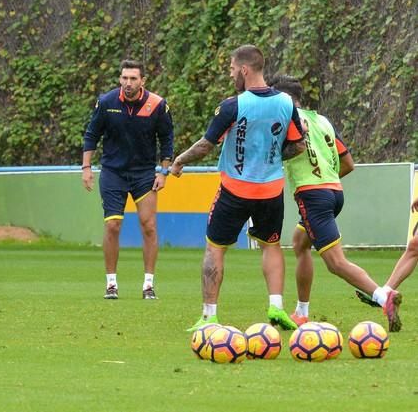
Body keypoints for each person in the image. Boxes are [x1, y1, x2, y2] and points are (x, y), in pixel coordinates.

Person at [170, 45, 306, 331]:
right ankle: (277, 306)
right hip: (270, 189)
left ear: (244, 70)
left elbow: (207, 144)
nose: (231, 73)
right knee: (270, 245)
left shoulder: (233, 105)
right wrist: (271, 156)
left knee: (215, 248)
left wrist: (179, 160)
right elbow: (298, 144)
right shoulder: (285, 103)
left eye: (232, 68)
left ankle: (209, 316)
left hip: (235, 189)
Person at [268, 74, 402, 332]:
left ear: (282, 99)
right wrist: (325, 180)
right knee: (300, 243)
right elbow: (348, 163)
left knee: (335, 263)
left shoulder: (287, 119)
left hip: (313, 196)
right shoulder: (322, 120)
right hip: (334, 192)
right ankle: (301, 313)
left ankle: (383, 297)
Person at [82, 59, 174, 300]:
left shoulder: (157, 105)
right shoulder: (106, 102)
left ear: (143, 81)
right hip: (113, 173)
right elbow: (92, 135)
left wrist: (163, 172)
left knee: (149, 225)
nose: (128, 83)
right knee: (113, 225)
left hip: (144, 174)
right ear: (120, 79)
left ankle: (148, 285)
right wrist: (86, 167)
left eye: (133, 78)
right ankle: (111, 283)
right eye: (124, 78)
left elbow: (167, 141)